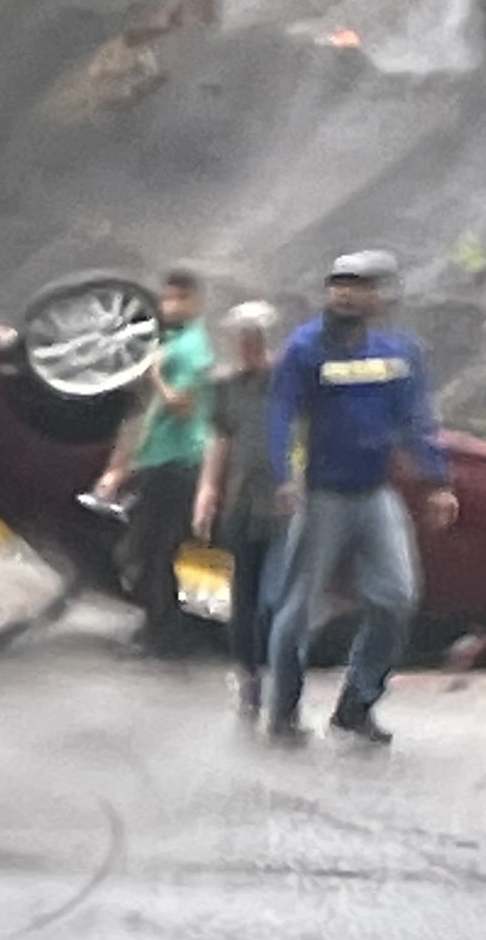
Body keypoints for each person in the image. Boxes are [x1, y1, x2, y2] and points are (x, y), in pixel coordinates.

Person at [265, 250, 458, 745]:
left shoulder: (399, 352)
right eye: (339, 284)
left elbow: (415, 419)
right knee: (299, 611)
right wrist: (283, 475)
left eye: (360, 285)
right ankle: (283, 710)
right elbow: (281, 414)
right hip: (323, 496)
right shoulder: (307, 348)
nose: (347, 293)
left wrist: (436, 481)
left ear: (381, 296)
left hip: (376, 494)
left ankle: (356, 705)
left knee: (396, 598)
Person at [93, 270, 216, 655]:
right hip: (157, 459)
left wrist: (158, 375)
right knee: (144, 549)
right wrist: (122, 466)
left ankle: (164, 631)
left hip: (180, 461)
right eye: (166, 299)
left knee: (154, 548)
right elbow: (142, 415)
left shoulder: (195, 347)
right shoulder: (168, 341)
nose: (171, 306)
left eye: (179, 299)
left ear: (195, 302)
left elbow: (182, 405)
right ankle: (158, 625)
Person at [193, 301, 285, 720]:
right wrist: (208, 490)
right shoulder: (226, 386)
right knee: (241, 596)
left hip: (283, 506)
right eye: (239, 340)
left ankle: (280, 676)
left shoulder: (288, 382)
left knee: (277, 597)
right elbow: (219, 439)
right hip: (240, 502)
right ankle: (248, 676)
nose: (246, 348)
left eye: (253, 340)